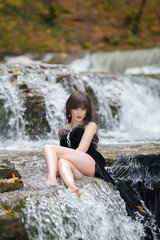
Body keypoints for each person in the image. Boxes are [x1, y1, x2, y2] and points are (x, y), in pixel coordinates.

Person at [43, 91, 114, 196]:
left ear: (87, 111)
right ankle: (73, 187)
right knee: (62, 162)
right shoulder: (62, 131)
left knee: (48, 148)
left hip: (90, 163)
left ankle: (51, 179)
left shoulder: (90, 125)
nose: (79, 112)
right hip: (78, 169)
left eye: (83, 109)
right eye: (76, 108)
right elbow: (62, 155)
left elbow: (82, 149)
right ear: (69, 110)